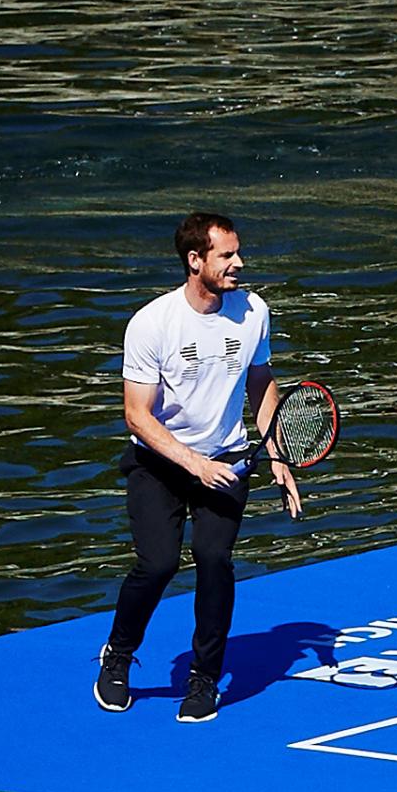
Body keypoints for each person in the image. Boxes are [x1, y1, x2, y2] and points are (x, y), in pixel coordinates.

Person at [94, 212, 299, 722]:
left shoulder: (253, 312)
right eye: (226, 255)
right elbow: (136, 416)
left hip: (228, 459)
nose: (239, 263)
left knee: (214, 562)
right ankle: (118, 656)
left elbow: (260, 381)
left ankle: (204, 680)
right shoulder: (152, 323)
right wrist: (193, 463)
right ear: (194, 260)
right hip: (159, 462)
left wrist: (278, 450)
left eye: (237, 252)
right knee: (158, 564)